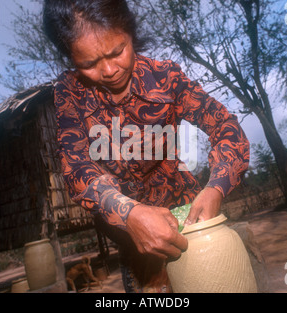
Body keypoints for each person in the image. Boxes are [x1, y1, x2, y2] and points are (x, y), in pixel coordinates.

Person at [43, 0, 249, 292]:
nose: (109, 70)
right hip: (127, 232)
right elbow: (76, 167)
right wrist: (129, 214)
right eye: (88, 64)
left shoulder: (166, 78)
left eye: (118, 51)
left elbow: (226, 128)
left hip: (184, 211)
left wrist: (215, 187)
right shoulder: (69, 94)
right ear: (70, 58)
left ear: (130, 30)